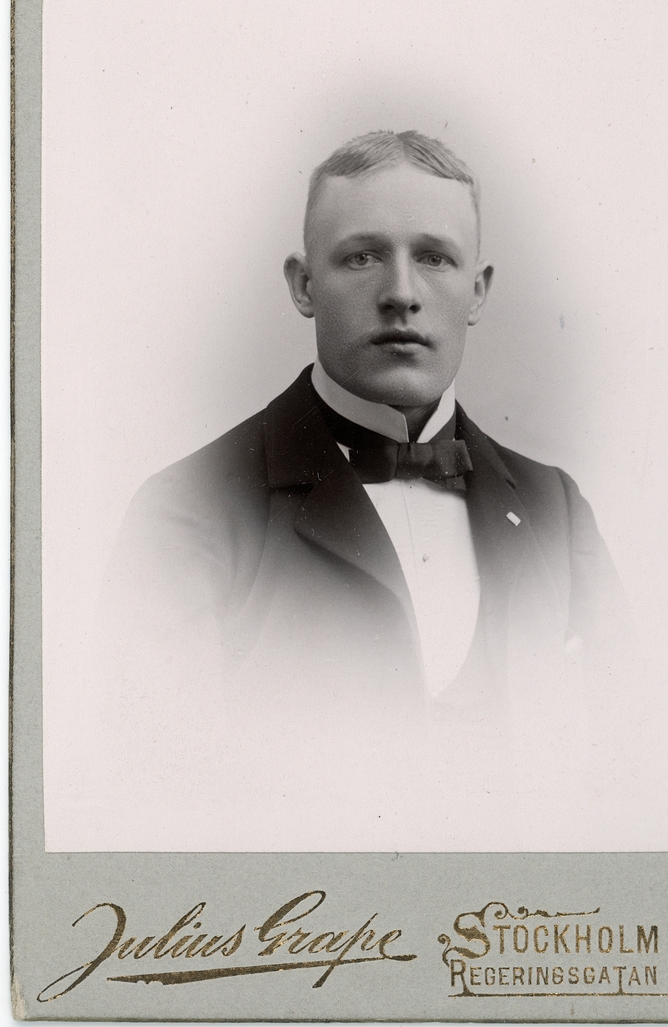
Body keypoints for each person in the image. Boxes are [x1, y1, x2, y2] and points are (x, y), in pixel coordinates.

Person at [97, 130, 631, 851]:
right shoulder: (187, 511)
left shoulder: (552, 507)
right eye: (361, 256)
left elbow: (633, 762)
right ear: (303, 285)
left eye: (434, 257)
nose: (401, 294)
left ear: (477, 291)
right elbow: (150, 803)